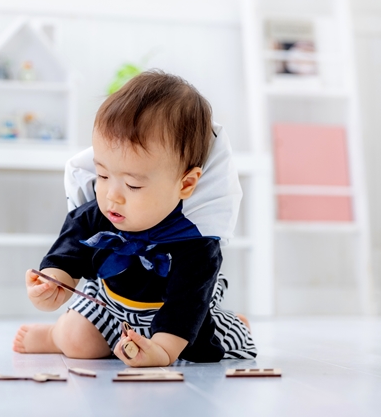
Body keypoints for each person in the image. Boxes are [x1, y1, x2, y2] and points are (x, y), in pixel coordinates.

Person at [13, 70, 257, 366]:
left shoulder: (196, 242)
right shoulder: (98, 212)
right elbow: (69, 254)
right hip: (110, 304)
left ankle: (230, 322)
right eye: (102, 175)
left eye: (133, 185)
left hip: (178, 315)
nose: (111, 196)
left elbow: (185, 305)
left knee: (203, 349)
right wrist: (54, 283)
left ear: (186, 184)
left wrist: (163, 351)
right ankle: (55, 336)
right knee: (78, 341)